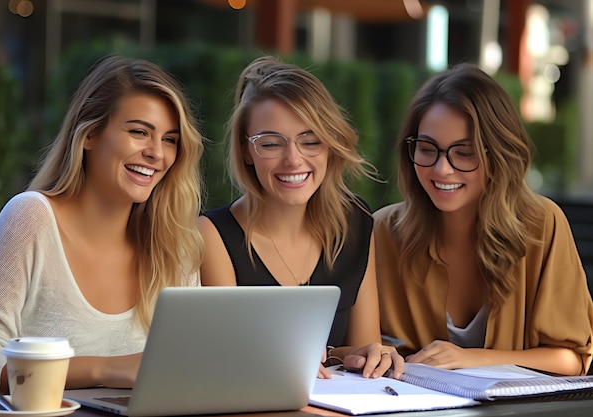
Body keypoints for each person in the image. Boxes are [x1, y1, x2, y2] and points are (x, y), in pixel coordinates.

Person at [0, 54, 204, 395]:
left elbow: (192, 365)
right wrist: (104, 369)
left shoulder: (174, 245)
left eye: (170, 139)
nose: (157, 153)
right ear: (89, 134)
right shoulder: (30, 217)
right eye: (140, 132)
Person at [374, 63, 593, 376]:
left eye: (464, 152)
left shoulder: (542, 223)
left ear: (499, 154)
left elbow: (570, 359)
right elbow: (358, 346)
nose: (441, 169)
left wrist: (473, 358)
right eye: (427, 149)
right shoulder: (382, 231)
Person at [197, 56, 403, 380]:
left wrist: (370, 355)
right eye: (270, 143)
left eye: (310, 140)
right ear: (246, 150)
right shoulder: (212, 235)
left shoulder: (356, 222)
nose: (294, 159)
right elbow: (226, 360)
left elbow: (364, 347)